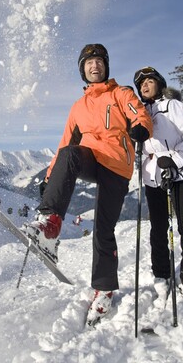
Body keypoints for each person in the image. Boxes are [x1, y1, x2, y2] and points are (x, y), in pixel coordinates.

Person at [22, 44, 152, 325]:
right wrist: (49, 179)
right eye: (89, 62)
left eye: (99, 62)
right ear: (82, 69)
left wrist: (141, 127)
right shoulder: (78, 107)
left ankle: (104, 289)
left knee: (103, 229)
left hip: (117, 164)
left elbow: (139, 114)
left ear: (106, 66)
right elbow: (65, 144)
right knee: (69, 154)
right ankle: (50, 226)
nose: (95, 66)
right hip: (91, 158)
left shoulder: (121, 93)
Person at [133, 66, 183, 310]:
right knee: (158, 228)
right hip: (152, 177)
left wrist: (174, 160)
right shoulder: (140, 112)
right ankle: (161, 273)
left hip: (178, 173)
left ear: (160, 84)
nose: (144, 85)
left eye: (149, 80)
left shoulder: (173, 106)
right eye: (141, 83)